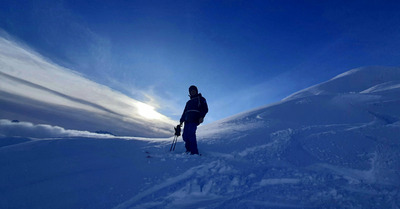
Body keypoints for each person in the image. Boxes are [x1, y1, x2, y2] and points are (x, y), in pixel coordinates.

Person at [179, 85, 208, 155]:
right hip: (187, 120)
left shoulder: (201, 99)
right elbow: (185, 112)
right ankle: (188, 150)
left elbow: (205, 109)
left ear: (196, 91)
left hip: (194, 119)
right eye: (191, 91)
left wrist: (202, 116)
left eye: (194, 90)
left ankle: (194, 152)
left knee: (191, 134)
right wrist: (181, 120)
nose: (192, 92)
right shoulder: (188, 102)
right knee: (185, 136)